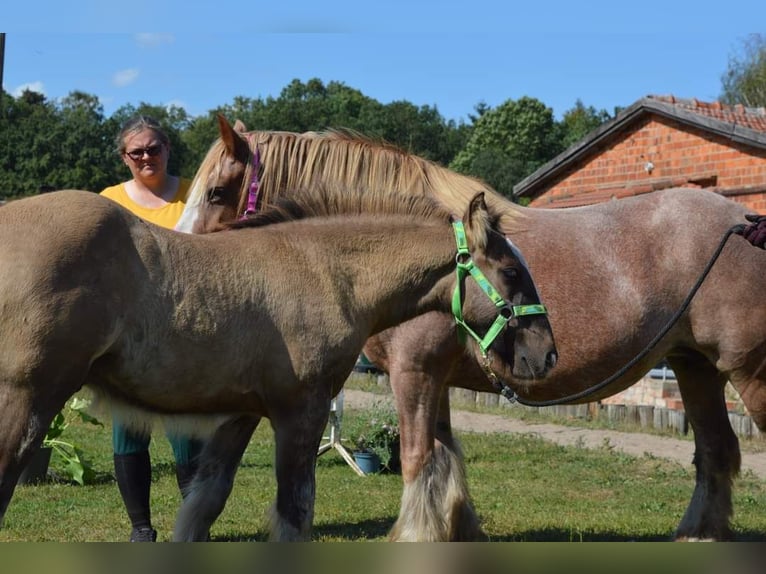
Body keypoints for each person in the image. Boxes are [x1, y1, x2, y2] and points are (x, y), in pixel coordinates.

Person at [101, 115, 203, 542]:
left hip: (187, 329)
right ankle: (141, 529)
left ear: (167, 149)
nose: (146, 156)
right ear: (125, 158)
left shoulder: (193, 194)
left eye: (153, 148)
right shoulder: (107, 202)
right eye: (137, 151)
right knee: (129, 429)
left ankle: (193, 527)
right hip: (129, 334)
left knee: (187, 435)